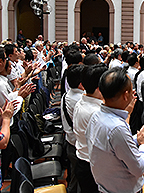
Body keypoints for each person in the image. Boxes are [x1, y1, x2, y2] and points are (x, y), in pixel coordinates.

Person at [86, 67, 144, 193]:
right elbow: (139, 169)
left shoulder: (96, 116)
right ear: (126, 95)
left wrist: (136, 139)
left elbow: (112, 148)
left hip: (106, 187)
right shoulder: (117, 128)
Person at [73, 64, 108, 193]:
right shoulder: (96, 113)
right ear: (100, 88)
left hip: (83, 160)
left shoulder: (81, 102)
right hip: (92, 167)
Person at [60, 64, 86, 193]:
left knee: (75, 178)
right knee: (80, 181)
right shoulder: (80, 100)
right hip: (78, 144)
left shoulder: (66, 95)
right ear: (82, 83)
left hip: (70, 141)